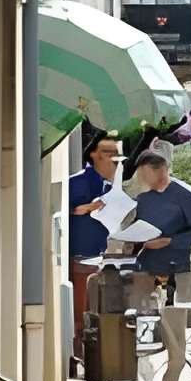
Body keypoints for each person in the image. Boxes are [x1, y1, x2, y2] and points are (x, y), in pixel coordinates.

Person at [111, 148, 191, 381]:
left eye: (146, 175)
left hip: (178, 271)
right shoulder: (144, 199)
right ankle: (139, 380)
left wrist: (169, 241)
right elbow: (140, 228)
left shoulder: (185, 195)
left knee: (173, 329)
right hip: (146, 269)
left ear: (161, 170)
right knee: (142, 325)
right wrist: (130, 242)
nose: (143, 180)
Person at [68, 134, 123, 315]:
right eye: (108, 154)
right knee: (81, 308)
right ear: (94, 155)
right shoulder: (76, 182)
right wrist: (90, 207)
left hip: (99, 256)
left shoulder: (109, 186)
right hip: (78, 256)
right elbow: (68, 208)